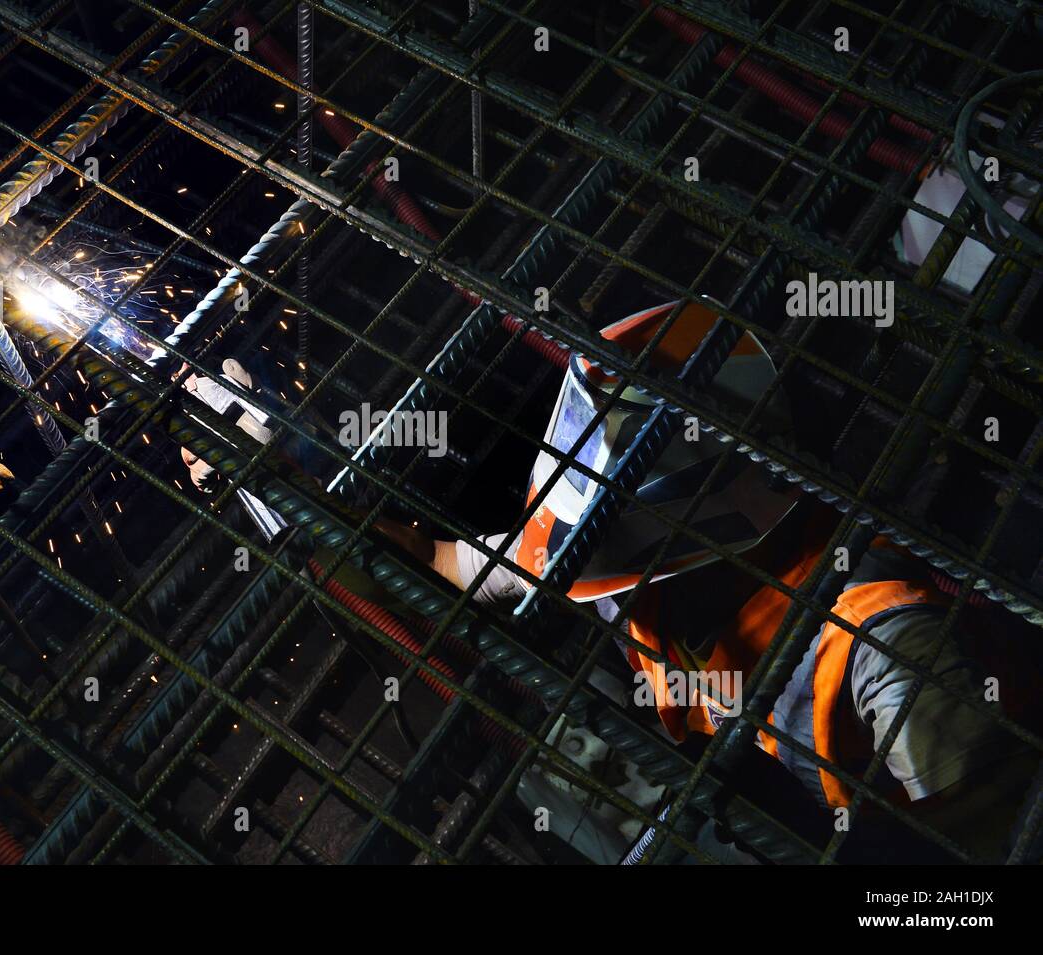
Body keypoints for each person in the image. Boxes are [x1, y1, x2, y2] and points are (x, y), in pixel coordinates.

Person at [392, 299, 1041, 858]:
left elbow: (991, 857)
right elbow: (450, 564)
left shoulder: (880, 642)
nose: (618, 598)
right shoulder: (613, 558)